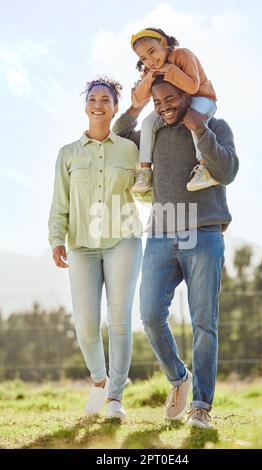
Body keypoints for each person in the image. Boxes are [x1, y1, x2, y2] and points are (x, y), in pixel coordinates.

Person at [113, 75, 239, 428]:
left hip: (205, 233)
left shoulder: (216, 126)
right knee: (150, 314)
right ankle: (178, 377)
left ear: (187, 94)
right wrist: (138, 104)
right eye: (158, 102)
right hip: (162, 235)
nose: (164, 106)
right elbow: (120, 134)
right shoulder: (152, 133)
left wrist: (200, 129)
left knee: (204, 324)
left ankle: (201, 406)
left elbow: (228, 170)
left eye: (171, 99)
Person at [48, 77, 142, 420]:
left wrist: (146, 182)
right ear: (86, 105)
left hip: (124, 239)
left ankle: (116, 397)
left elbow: (144, 192)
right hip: (82, 245)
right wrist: (56, 239)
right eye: (93, 99)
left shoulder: (130, 149)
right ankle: (100, 381)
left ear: (115, 107)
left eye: (105, 99)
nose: (98, 104)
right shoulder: (68, 153)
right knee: (86, 323)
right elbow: (60, 202)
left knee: (119, 320)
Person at [130, 27, 218, 193]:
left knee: (192, 119)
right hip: (173, 105)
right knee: (147, 122)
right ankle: (146, 171)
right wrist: (149, 77)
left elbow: (192, 87)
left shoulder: (183, 55)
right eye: (144, 58)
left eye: (152, 51)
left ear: (163, 43)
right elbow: (137, 100)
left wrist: (168, 70)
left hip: (202, 98)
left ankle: (205, 169)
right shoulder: (150, 69)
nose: (150, 60)